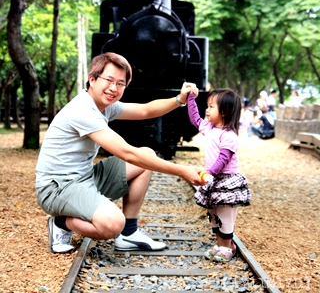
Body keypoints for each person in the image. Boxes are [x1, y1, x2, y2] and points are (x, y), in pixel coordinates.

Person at [36, 52, 203, 254]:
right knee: (113, 223)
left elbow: (145, 110)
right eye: (108, 80)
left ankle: (129, 234)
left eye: (120, 83)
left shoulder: (104, 107)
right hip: (56, 189)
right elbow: (127, 153)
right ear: (92, 79)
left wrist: (179, 99)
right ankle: (62, 223)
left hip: (84, 178)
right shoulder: (82, 110)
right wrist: (183, 171)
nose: (113, 88)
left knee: (147, 155)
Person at [187, 88, 251, 263]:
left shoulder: (229, 135)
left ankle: (226, 246)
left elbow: (224, 158)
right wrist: (190, 98)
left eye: (211, 106)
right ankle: (221, 245)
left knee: (225, 214)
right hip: (213, 179)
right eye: (207, 106)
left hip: (226, 182)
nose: (206, 110)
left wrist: (210, 172)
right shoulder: (209, 127)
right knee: (214, 214)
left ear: (225, 112)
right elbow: (194, 118)